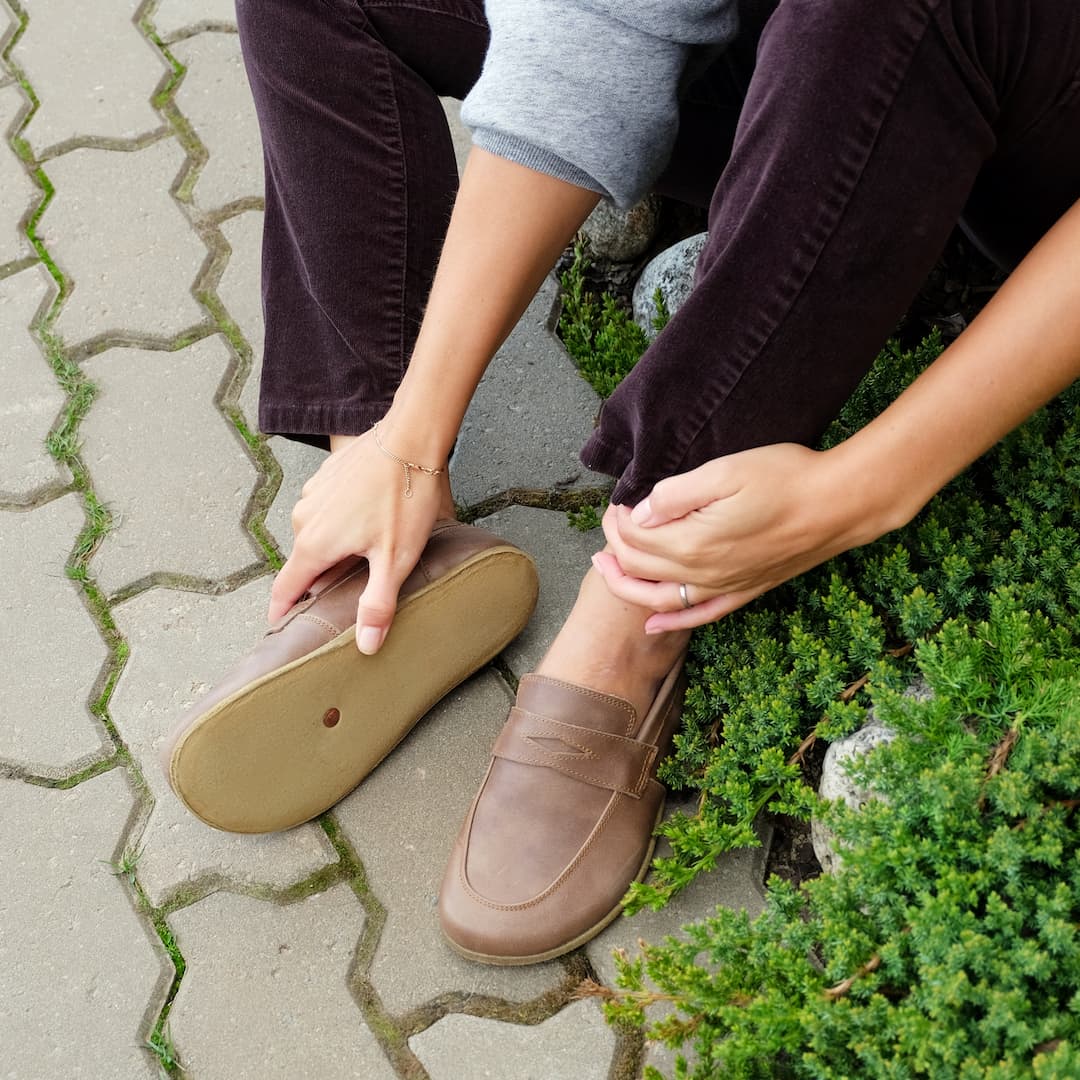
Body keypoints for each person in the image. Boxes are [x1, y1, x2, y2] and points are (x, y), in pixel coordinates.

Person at [163, 0, 1080, 964]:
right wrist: (410, 434)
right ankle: (386, 492)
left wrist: (869, 485)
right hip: (812, 69)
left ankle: (636, 608)